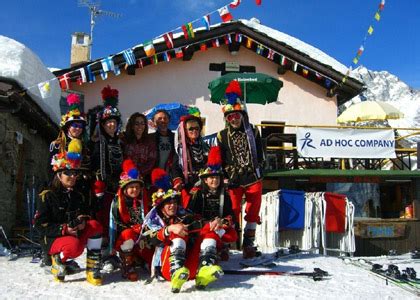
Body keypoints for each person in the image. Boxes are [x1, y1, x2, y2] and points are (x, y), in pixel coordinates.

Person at [142, 168, 224, 293]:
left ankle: (204, 270)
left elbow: (199, 224)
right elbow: (149, 239)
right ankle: (176, 270)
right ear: (161, 206)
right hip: (166, 268)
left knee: (209, 231)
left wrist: (214, 223)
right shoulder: (153, 219)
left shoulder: (184, 214)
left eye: (175, 202)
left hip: (189, 269)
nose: (173, 205)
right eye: (168, 203)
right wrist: (169, 229)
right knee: (177, 230)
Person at [34, 139, 103, 285]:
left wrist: (82, 222)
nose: (73, 177)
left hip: (73, 233)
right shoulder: (47, 195)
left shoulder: (78, 194)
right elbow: (40, 225)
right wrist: (63, 229)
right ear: (59, 174)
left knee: (95, 225)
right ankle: (57, 260)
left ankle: (92, 268)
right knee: (74, 247)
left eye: (75, 174)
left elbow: (85, 213)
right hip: (53, 238)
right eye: (68, 173)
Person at [217, 80, 265, 259]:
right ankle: (226, 244)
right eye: (230, 117)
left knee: (253, 210)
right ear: (226, 119)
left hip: (253, 176)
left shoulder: (253, 131)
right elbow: (221, 159)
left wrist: (259, 168)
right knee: (232, 210)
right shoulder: (222, 135)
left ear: (243, 115)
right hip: (234, 179)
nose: (234, 119)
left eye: (237, 115)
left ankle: (248, 244)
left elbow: (260, 153)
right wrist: (227, 175)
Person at [185, 146, 238, 262]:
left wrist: (223, 222)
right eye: (212, 178)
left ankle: (220, 247)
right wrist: (207, 223)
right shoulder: (198, 194)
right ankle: (208, 251)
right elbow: (191, 214)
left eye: (217, 178)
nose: (215, 181)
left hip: (218, 226)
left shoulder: (225, 194)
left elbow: (230, 214)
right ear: (205, 180)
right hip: (203, 226)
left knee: (232, 234)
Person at [109, 159, 153, 281]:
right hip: (125, 236)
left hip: (143, 235)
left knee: (153, 262)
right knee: (128, 235)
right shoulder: (117, 203)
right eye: (131, 187)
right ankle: (127, 265)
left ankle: (141, 259)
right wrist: (132, 228)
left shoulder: (144, 200)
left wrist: (146, 228)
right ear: (124, 188)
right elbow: (116, 222)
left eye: (137, 187)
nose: (135, 190)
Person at [90, 85, 124, 239]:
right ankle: (103, 242)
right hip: (103, 185)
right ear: (103, 125)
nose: (111, 125)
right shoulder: (97, 143)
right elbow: (95, 165)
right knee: (103, 214)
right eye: (108, 122)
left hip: (119, 185)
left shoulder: (121, 143)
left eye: (114, 122)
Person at [173, 114, 209, 191]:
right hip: (189, 185)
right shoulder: (181, 149)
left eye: (197, 128)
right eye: (191, 129)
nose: (194, 131)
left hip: (205, 184)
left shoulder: (206, 147)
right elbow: (175, 168)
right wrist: (178, 181)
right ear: (185, 131)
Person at [120, 112, 157, 186]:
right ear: (132, 126)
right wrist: (129, 171)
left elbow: (151, 161)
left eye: (142, 123)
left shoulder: (150, 142)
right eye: (137, 124)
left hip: (142, 179)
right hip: (125, 178)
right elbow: (121, 158)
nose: (140, 126)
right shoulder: (124, 140)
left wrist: (138, 173)